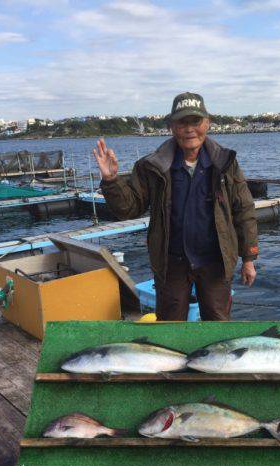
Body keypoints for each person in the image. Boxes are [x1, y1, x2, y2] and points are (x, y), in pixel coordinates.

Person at [93, 92, 258, 321]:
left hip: (215, 261)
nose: (190, 129)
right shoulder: (152, 166)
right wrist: (111, 181)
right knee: (169, 327)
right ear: (171, 127)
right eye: (182, 122)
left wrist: (248, 258)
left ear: (207, 123)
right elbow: (129, 208)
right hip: (171, 263)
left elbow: (244, 210)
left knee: (219, 325)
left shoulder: (225, 163)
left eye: (196, 121)